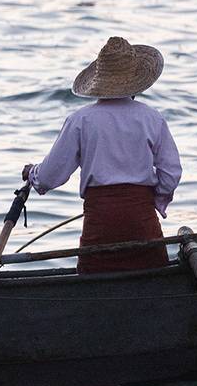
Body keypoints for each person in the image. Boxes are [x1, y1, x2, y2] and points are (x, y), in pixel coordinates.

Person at [22, 35, 182, 274]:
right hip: (141, 218)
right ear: (137, 84)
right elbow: (171, 173)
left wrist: (32, 173)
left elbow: (49, 176)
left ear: (98, 82)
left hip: (101, 220)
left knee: (95, 278)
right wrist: (156, 199)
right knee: (152, 275)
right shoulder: (152, 118)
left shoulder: (81, 120)